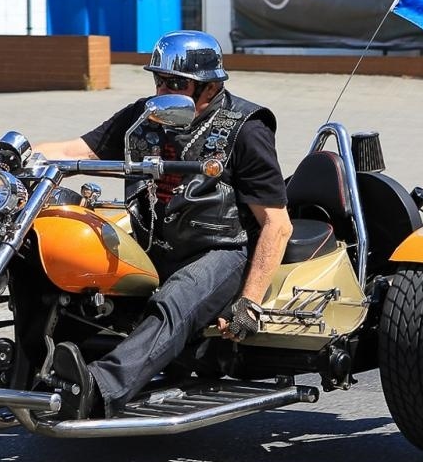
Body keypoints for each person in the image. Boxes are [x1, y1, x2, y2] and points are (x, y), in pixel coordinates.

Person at [35, 30, 292, 418]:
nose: (162, 89)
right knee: (61, 262)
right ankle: (30, 369)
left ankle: (98, 389)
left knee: (174, 301)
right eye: (158, 79)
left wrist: (250, 302)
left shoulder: (246, 128)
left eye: (175, 82)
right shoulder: (145, 116)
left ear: (209, 86)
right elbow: (76, 151)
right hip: (154, 241)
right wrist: (4, 155)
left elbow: (276, 224)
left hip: (221, 249)